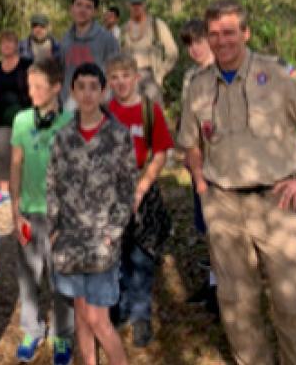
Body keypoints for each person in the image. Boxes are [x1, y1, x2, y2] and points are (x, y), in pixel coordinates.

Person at [177, 0, 296, 365]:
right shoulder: (198, 85)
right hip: (223, 204)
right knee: (237, 306)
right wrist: (200, 184)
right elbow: (189, 142)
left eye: (229, 32)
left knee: (293, 303)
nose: (221, 41)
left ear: (245, 33)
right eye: (214, 34)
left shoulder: (278, 75)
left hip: (276, 203)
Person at [47, 63, 135, 365]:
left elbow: (127, 190)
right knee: (82, 317)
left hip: (102, 242)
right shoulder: (63, 137)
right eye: (80, 86)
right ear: (72, 91)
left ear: (103, 91)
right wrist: (53, 228)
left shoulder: (119, 136)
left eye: (93, 87)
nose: (86, 93)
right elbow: (52, 184)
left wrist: (113, 231)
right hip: (69, 241)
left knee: (99, 320)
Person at [8, 59, 76, 364]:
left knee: (61, 278)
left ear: (57, 87)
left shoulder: (70, 122)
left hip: (59, 216)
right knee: (28, 276)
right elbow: (16, 164)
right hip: (28, 213)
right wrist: (14, 208)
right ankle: (32, 330)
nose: (32, 92)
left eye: (39, 87)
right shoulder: (22, 120)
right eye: (29, 86)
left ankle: (63, 335)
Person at [103, 55, 173, 347]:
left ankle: (141, 314)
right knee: (115, 254)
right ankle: (119, 307)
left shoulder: (149, 110)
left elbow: (160, 152)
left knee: (142, 256)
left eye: (125, 76)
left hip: (143, 190)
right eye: (114, 77)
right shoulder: (104, 112)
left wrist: (142, 187)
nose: (120, 82)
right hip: (111, 193)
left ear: (136, 78)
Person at [175, 19, 219, 314]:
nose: (195, 49)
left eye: (199, 41)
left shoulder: (225, 71)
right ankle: (214, 284)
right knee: (206, 225)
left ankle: (227, 290)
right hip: (198, 162)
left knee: (223, 227)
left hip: (224, 163)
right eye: (189, 44)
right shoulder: (191, 76)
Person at [0, 30, 33, 205]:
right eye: (4, 42)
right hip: (1, 119)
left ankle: (26, 189)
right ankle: (5, 190)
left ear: (17, 45)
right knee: (4, 154)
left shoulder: (27, 65)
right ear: (0, 46)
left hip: (26, 118)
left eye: (10, 42)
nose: (7, 45)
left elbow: (37, 86)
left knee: (26, 154)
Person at [59, 0, 121, 106]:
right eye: (79, 5)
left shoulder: (107, 39)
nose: (82, 10)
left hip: (96, 108)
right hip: (68, 106)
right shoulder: (65, 39)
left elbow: (115, 74)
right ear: (72, 8)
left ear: (95, 12)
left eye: (88, 7)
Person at [119, 0, 178, 108]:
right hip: (130, 79)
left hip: (151, 77)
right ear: (128, 7)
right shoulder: (124, 29)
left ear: (144, 5)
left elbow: (173, 52)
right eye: (133, 5)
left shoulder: (156, 25)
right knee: (131, 117)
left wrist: (161, 73)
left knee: (153, 117)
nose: (136, 7)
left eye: (139, 4)